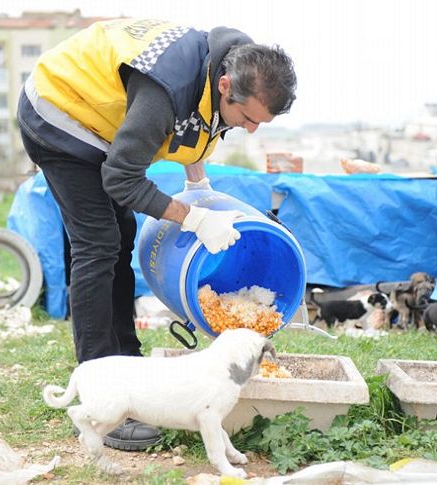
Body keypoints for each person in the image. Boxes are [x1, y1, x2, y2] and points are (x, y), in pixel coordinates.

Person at [17, 18, 296, 451]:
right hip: (59, 112)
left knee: (122, 238)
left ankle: (126, 364)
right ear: (225, 85)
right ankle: (99, 390)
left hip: (104, 125)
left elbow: (199, 125)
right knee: (98, 244)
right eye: (248, 118)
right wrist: (194, 218)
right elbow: (121, 180)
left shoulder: (237, 65)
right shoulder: (165, 89)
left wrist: (198, 188)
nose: (251, 129)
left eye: (261, 122)